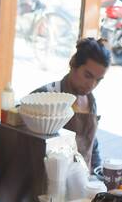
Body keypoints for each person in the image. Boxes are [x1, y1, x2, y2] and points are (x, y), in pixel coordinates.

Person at [33, 37, 111, 170]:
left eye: (98, 80)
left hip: (82, 180)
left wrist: (98, 175)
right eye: (87, 75)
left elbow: (92, 144)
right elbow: (31, 148)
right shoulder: (46, 97)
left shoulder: (90, 101)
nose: (92, 85)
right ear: (73, 64)